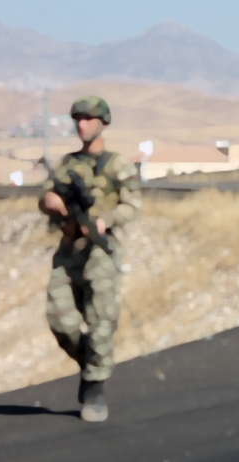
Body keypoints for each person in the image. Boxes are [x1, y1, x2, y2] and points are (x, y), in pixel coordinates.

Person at [38, 95, 142, 422]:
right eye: (78, 119)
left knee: (100, 323)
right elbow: (46, 196)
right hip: (69, 250)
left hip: (100, 251)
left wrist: (104, 220)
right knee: (61, 320)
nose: (82, 125)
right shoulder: (67, 165)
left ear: (103, 123)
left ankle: (95, 386)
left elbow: (132, 206)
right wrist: (51, 201)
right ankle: (90, 364)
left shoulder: (118, 165)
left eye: (89, 119)